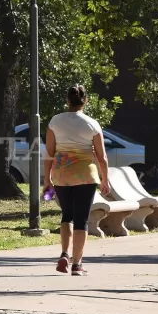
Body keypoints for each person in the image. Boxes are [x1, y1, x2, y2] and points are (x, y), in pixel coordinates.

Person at [43, 85, 110, 276]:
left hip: (61, 174)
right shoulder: (92, 124)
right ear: (85, 101)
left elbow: (49, 153)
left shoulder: (55, 121)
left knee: (67, 215)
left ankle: (64, 253)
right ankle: (77, 264)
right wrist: (105, 179)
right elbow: (101, 156)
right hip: (85, 176)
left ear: (67, 100)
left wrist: (47, 179)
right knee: (82, 219)